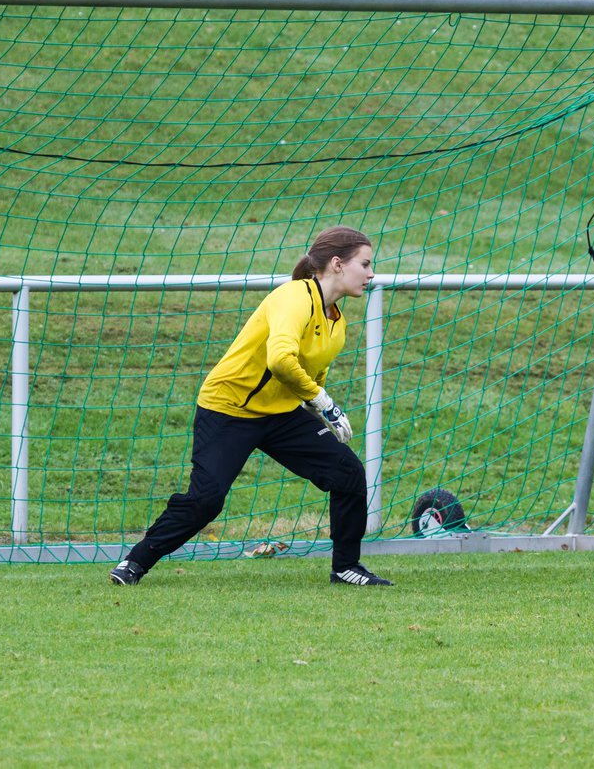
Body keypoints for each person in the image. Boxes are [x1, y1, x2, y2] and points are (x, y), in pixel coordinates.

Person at [110, 225, 392, 587]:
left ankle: (346, 568)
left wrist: (316, 406)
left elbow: (310, 376)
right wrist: (324, 402)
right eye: (365, 264)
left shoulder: (337, 322)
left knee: (348, 472)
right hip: (228, 408)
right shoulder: (294, 296)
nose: (371, 274)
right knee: (206, 500)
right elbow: (279, 360)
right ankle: (134, 563)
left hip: (279, 415)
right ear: (337, 264)